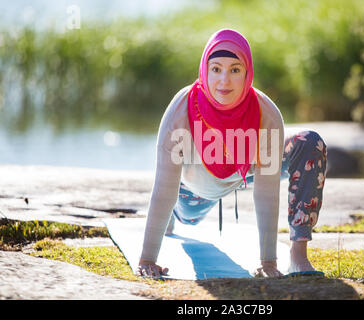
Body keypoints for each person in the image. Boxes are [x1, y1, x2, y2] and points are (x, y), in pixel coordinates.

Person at [136, 28, 327, 278]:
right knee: (186, 216)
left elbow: (267, 192)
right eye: (216, 69)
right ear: (204, 70)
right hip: (194, 189)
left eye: (235, 70)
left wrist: (268, 263)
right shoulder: (181, 111)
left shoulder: (266, 114)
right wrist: (148, 258)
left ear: (247, 73)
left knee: (309, 142)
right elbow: (163, 189)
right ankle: (173, 217)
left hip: (244, 170)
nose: (224, 80)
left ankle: (298, 255)